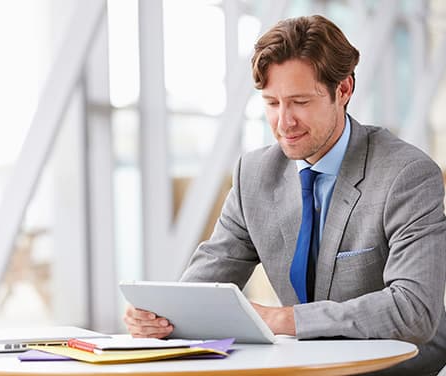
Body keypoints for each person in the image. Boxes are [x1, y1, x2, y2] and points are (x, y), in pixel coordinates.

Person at [123, 15, 446, 375]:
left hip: (392, 368)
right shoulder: (254, 174)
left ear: (343, 90)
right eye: (272, 104)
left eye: (300, 102)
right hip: (299, 364)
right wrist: (162, 317)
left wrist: (283, 319)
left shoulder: (406, 174)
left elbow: (415, 311)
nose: (283, 122)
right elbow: (203, 287)